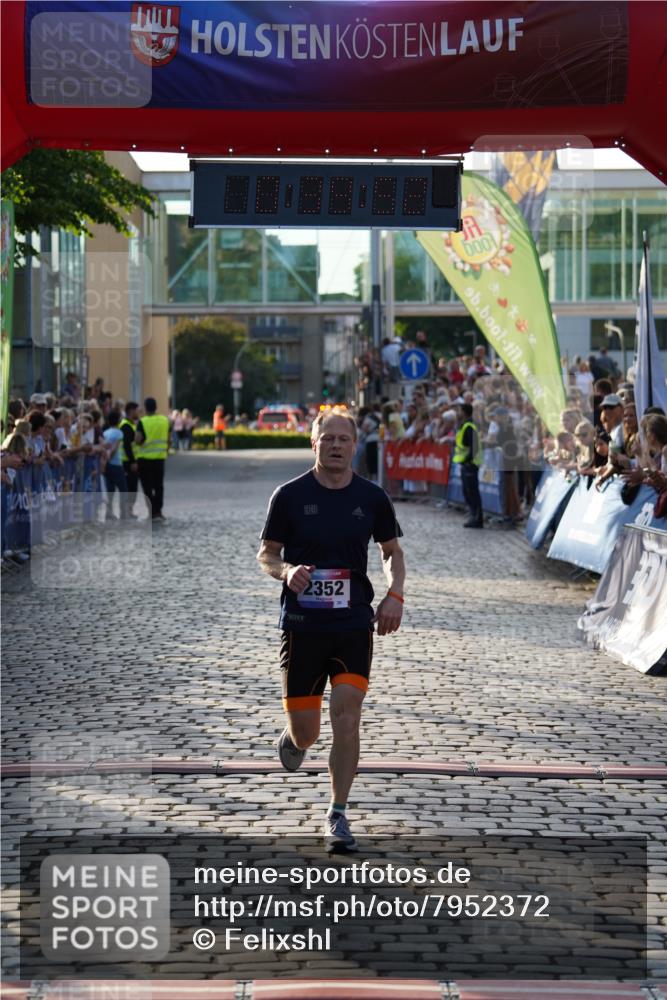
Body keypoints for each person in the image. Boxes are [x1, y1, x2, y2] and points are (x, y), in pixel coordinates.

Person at [256, 406, 405, 853]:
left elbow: (392, 551)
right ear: (313, 444)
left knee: (347, 714)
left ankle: (338, 814)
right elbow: (266, 553)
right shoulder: (288, 495)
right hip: (302, 625)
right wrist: (285, 572)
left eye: (344, 439)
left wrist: (394, 594)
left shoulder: (372, 497)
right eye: (328, 439)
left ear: (354, 445)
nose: (336, 445)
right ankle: (295, 738)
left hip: (352, 622)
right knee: (309, 731)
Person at [135, 397, 169, 520]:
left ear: (145, 408)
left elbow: (138, 440)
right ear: (156, 407)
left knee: (147, 487)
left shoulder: (142, 422)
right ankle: (158, 511)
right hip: (159, 459)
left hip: (144, 459)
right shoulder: (164, 420)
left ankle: (151, 511)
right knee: (159, 486)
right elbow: (168, 438)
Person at [453, 402, 483, 528]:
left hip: (470, 464)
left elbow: (473, 447)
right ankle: (473, 515)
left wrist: (467, 460)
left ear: (464, 412)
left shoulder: (469, 427)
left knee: (472, 492)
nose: (457, 413)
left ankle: (477, 519)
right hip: (466, 464)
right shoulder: (464, 425)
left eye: (459, 410)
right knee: (467, 492)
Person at [102, 409, 126, 519]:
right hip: (116, 464)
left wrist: (104, 461)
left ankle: (108, 512)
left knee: (110, 489)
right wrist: (109, 457)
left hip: (106, 465)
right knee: (123, 489)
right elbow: (114, 448)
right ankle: (123, 512)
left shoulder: (105, 433)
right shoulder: (119, 433)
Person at [120, 402, 140, 518]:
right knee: (130, 488)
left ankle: (129, 510)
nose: (138, 413)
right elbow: (127, 445)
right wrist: (133, 461)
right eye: (137, 410)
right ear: (131, 411)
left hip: (131, 460)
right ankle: (127, 511)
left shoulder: (130, 424)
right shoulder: (126, 426)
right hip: (127, 462)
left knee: (133, 487)